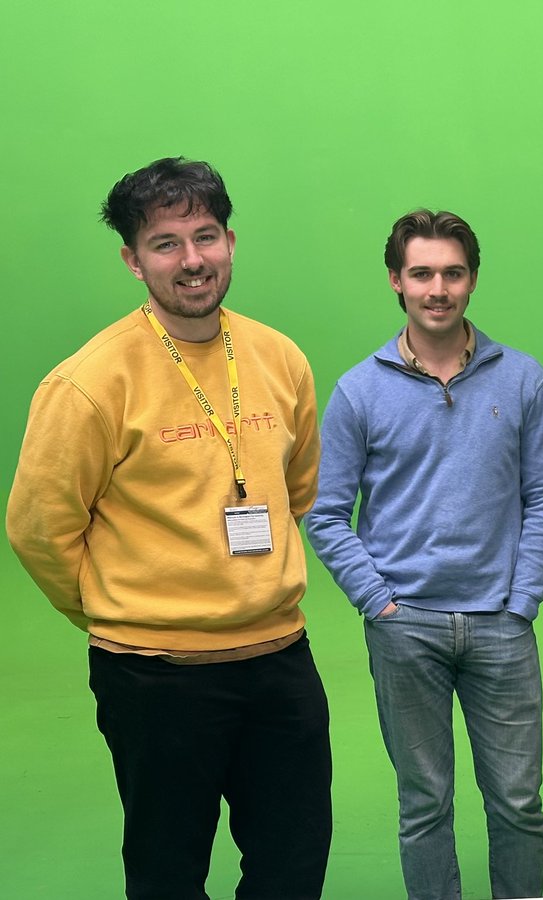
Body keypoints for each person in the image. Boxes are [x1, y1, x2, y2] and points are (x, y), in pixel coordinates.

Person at [6, 157, 331, 899]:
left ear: (230, 242)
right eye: (165, 243)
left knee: (293, 866)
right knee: (167, 874)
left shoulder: (280, 357)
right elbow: (38, 529)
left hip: (280, 660)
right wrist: (121, 608)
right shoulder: (89, 381)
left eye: (205, 236)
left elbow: (297, 488)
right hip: (154, 674)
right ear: (133, 259)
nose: (192, 260)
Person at [306, 209, 543, 900]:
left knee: (519, 804)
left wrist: (523, 600)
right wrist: (379, 603)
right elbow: (325, 514)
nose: (438, 289)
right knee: (424, 806)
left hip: (501, 625)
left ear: (473, 279)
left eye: (453, 273)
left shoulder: (523, 379)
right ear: (396, 280)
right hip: (405, 627)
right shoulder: (359, 390)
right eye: (421, 273)